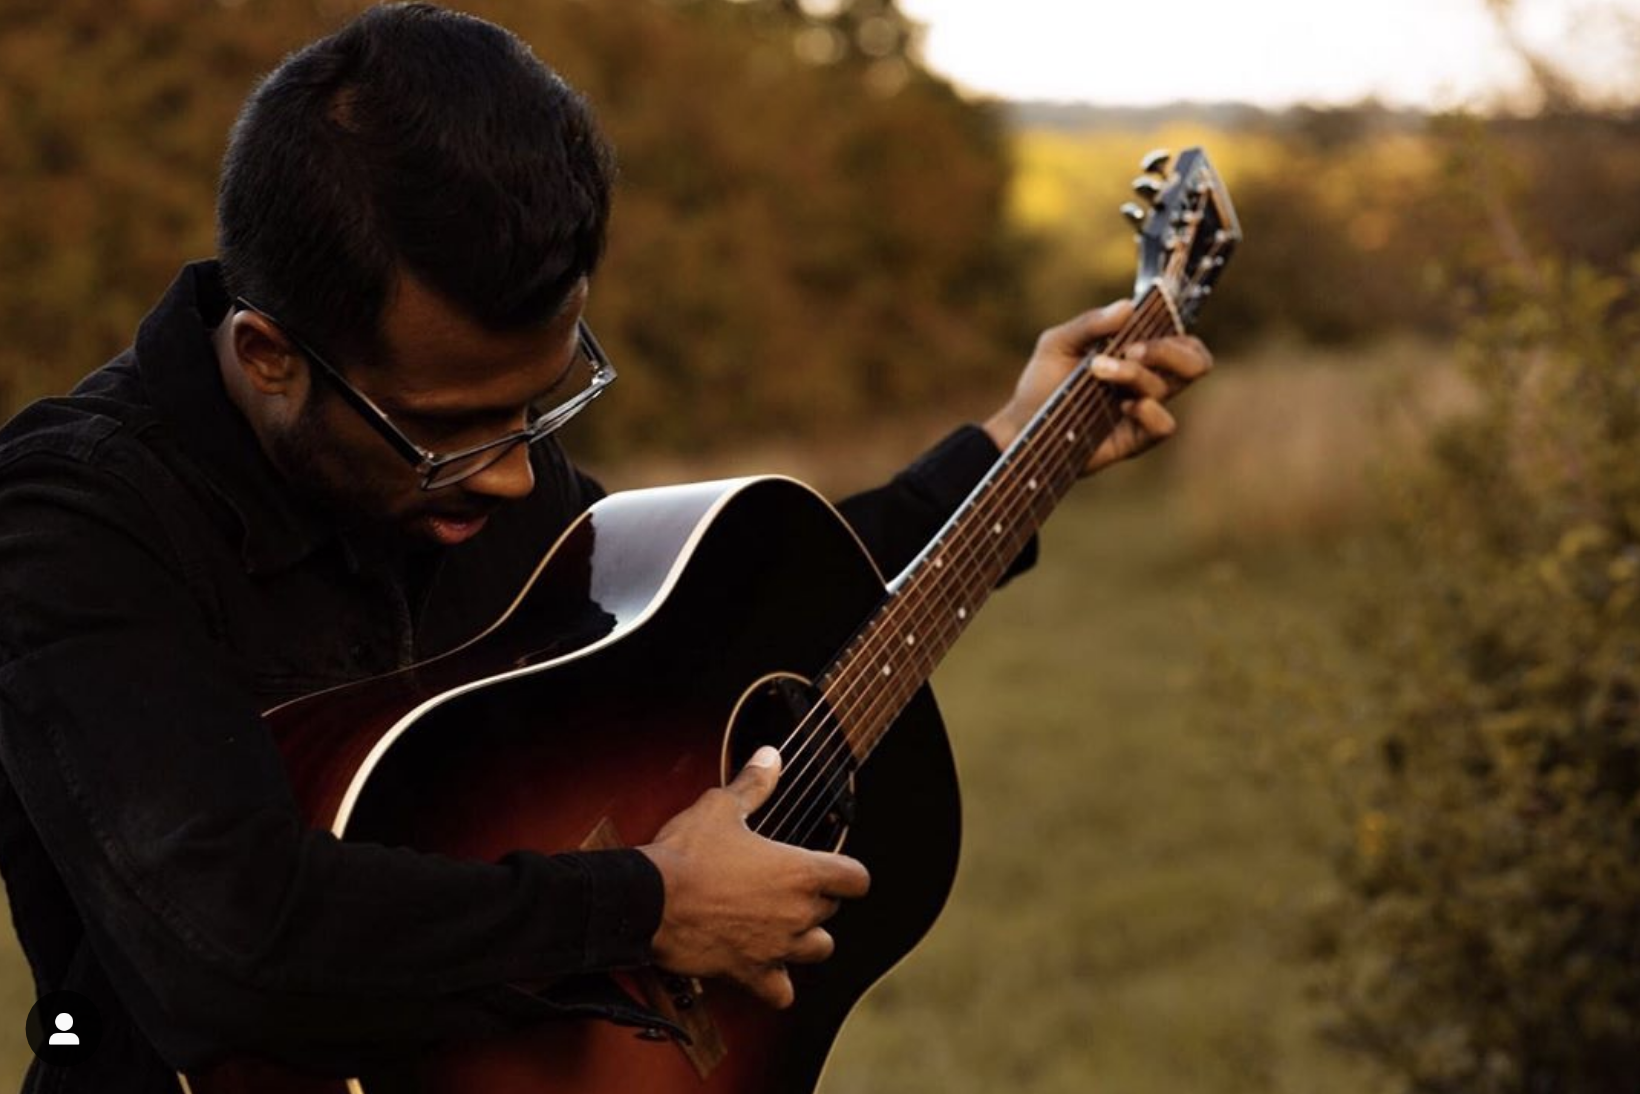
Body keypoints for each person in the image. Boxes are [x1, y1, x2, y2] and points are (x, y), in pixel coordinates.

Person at [0, 4, 1211, 1091]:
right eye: (448, 429)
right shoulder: (72, 522)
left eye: (538, 407)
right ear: (270, 356)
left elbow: (724, 607)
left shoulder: (479, 470)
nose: (516, 473)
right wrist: (646, 906)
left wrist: (1007, 452)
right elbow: (226, 935)